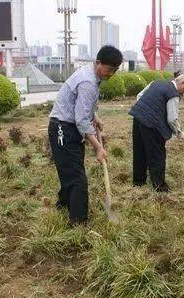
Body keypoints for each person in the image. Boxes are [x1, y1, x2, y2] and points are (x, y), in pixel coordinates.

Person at [48, 45, 123, 225]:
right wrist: (98, 147)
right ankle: (78, 223)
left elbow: (83, 106)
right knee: (76, 177)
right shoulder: (88, 81)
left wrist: (94, 116)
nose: (111, 74)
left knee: (71, 169)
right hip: (63, 128)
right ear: (98, 63)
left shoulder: (91, 74)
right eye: (109, 69)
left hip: (70, 126)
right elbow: (81, 119)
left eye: (115, 71)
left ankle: (64, 205)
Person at [129, 74, 184, 192]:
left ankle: (138, 181)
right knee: (157, 154)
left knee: (140, 151)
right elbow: (172, 118)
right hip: (152, 125)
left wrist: (145, 110)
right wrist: (179, 132)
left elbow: (139, 96)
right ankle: (160, 186)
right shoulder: (173, 93)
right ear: (182, 83)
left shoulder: (156, 82)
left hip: (138, 118)